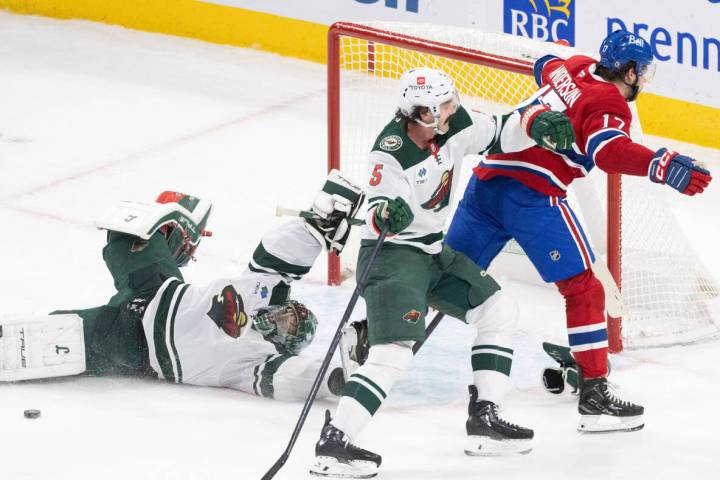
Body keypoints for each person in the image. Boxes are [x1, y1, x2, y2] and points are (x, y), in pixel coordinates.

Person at [310, 67, 576, 478]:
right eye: (444, 105)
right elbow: (378, 208)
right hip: (393, 259)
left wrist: (535, 122)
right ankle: (336, 441)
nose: (454, 109)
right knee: (393, 353)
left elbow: (502, 129)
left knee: (497, 310)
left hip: (434, 253)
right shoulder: (390, 150)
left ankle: (485, 417)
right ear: (422, 113)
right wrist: (385, 215)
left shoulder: (454, 126)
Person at [445, 30, 713, 434]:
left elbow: (544, 65)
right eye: (641, 72)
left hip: (485, 184)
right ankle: (594, 393)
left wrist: (563, 93)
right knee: (584, 288)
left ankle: (368, 338)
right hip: (532, 196)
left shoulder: (575, 66)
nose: (642, 80)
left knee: (441, 278)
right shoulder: (610, 102)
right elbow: (609, 152)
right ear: (628, 71)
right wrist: (661, 164)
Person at [0, 170, 365, 402]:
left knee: (29, 344)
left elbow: (288, 378)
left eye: (288, 327)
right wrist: (317, 228)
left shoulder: (255, 359)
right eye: (289, 312)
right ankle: (179, 242)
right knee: (126, 233)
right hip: (157, 289)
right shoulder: (263, 293)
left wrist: (334, 378)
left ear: (283, 344)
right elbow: (279, 258)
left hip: (133, 344)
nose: (281, 317)